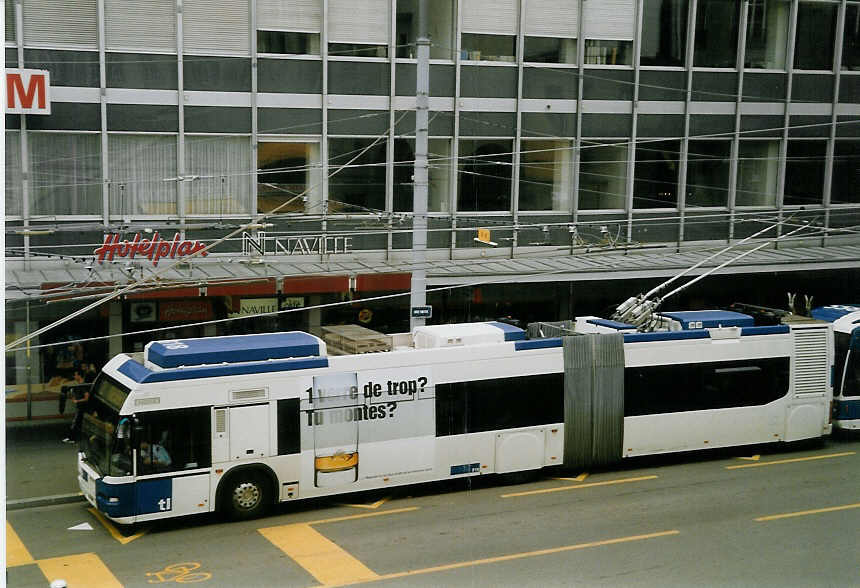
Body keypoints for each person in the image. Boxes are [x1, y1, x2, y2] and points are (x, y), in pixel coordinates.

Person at [62, 372, 90, 444]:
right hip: (80, 407)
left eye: (75, 375)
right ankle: (74, 438)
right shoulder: (79, 385)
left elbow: (87, 397)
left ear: (79, 376)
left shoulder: (83, 385)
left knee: (76, 423)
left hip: (81, 407)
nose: (74, 377)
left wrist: (77, 401)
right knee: (78, 423)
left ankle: (72, 438)